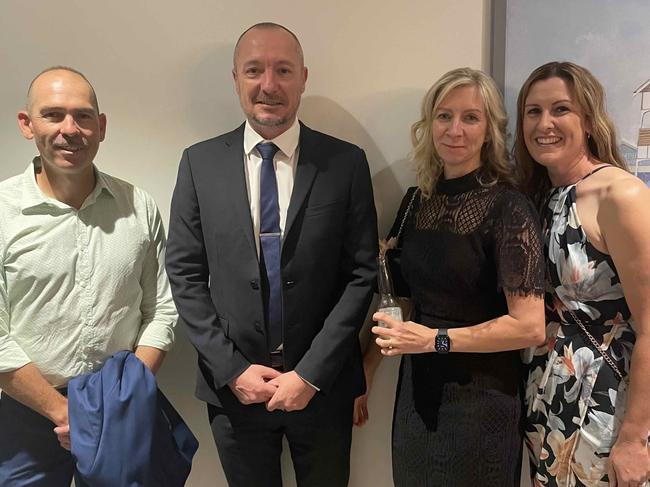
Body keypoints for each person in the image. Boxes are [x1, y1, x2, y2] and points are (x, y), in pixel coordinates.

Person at [165, 22, 377, 487]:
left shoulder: (346, 162)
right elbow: (183, 274)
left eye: (283, 70)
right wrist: (232, 369)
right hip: (234, 390)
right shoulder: (198, 164)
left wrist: (312, 374)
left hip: (322, 387)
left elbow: (362, 275)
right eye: (254, 70)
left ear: (303, 77)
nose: (269, 85)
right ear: (236, 78)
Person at [362, 67, 546, 486]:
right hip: (417, 393)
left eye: (470, 118)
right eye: (444, 116)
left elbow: (529, 326)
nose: (455, 130)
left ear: (490, 130)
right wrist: (367, 370)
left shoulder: (508, 207)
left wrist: (434, 340)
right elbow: (402, 299)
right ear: (428, 125)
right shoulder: (415, 201)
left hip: (482, 398)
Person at [0, 66, 177, 486]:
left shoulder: (138, 206)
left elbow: (162, 311)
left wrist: (119, 403)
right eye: (53, 115)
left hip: (122, 410)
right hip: (26, 416)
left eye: (82, 116)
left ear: (101, 127)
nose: (70, 129)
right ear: (27, 124)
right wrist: (67, 414)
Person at [515, 61, 650, 487]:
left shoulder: (619, 194)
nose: (544, 124)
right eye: (533, 111)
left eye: (561, 110)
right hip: (550, 394)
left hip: (608, 401)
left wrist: (633, 438)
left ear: (589, 120)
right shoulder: (540, 196)